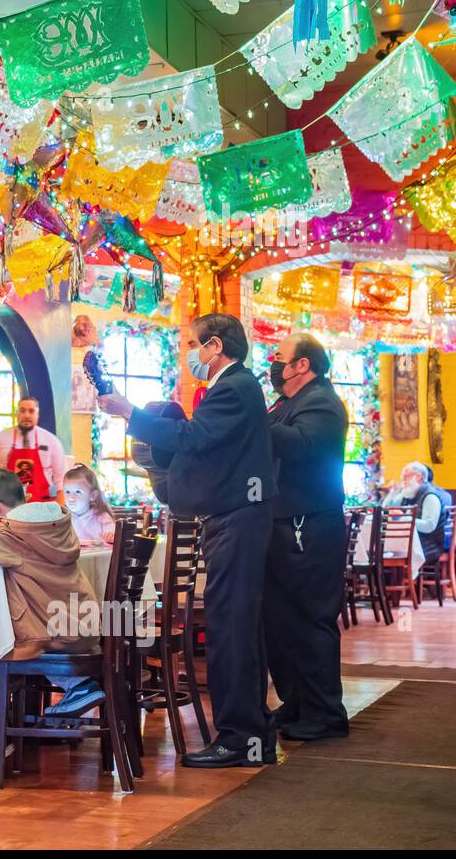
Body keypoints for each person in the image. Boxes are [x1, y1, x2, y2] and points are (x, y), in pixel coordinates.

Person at [98, 312, 276, 769]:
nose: (191, 354)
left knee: (230, 627)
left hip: (238, 518)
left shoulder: (234, 387)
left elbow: (193, 438)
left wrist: (129, 413)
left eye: (195, 344)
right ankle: (252, 732)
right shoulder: (235, 388)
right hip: (235, 515)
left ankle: (240, 738)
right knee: (237, 626)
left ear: (215, 346)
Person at [0, 469, 104, 772]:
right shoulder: (57, 523)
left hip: (49, 637)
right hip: (83, 627)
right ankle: (77, 685)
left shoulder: (8, 534)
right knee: (12, 630)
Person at [264, 334, 350, 741]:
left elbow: (304, 446)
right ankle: (296, 701)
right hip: (285, 522)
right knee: (281, 620)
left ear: (302, 365)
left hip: (311, 524)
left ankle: (325, 712)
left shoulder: (321, 401)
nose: (272, 364)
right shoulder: (286, 403)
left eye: (279, 358)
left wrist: (250, 421)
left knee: (311, 617)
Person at [0, 396, 67, 502]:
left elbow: (61, 479)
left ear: (37, 415)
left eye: (31, 411)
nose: (26, 415)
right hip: (7, 506)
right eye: (22, 411)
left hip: (42, 507)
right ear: (17, 414)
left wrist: (61, 507)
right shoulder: (0, 440)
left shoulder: (51, 441)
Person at [383, 461, 452, 570]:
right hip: (412, 544)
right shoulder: (408, 493)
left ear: (418, 477)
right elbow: (386, 509)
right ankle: (390, 583)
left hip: (428, 547)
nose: (403, 481)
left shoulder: (430, 497)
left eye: (406, 477)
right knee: (382, 550)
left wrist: (404, 519)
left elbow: (429, 526)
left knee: (387, 551)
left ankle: (397, 583)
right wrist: (393, 492)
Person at [62, 464, 117, 547]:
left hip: (96, 559)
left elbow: (114, 538)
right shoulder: (62, 518)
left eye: (78, 492)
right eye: (67, 492)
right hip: (71, 559)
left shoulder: (102, 518)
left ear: (93, 495)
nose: (71, 498)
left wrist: (111, 537)